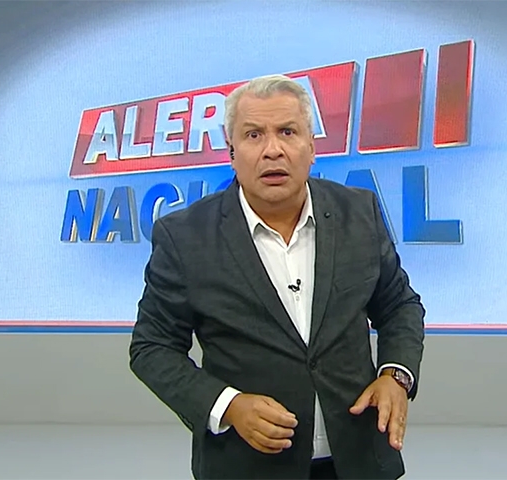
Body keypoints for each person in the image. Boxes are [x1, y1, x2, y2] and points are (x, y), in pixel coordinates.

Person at [129, 73, 426, 480]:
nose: (273, 150)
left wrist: (396, 374)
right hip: (248, 466)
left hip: (359, 461)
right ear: (231, 152)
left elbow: (399, 306)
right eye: (253, 135)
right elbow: (152, 346)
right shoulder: (185, 237)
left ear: (312, 147)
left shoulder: (359, 212)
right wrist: (227, 406)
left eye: (288, 132)